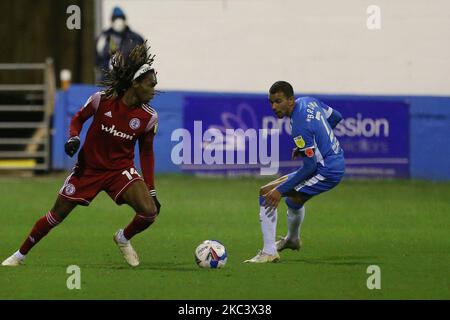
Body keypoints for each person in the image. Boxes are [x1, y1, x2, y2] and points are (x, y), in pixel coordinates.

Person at [2, 41, 160, 268]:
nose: (154, 89)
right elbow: (78, 119)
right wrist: (74, 137)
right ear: (135, 83)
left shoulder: (148, 117)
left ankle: (123, 238)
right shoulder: (101, 100)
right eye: (150, 84)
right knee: (56, 215)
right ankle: (19, 255)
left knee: (149, 213)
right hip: (89, 170)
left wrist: (151, 190)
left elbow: (146, 153)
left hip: (120, 171)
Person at [244, 81, 345, 263]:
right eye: (271, 102)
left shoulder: (299, 126)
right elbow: (336, 117)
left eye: (279, 101)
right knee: (294, 201)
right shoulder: (309, 101)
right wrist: (315, 145)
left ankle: (268, 252)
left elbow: (309, 167)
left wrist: (279, 191)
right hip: (332, 163)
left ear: (290, 100)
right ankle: (292, 239)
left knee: (267, 193)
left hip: (327, 171)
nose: (274, 107)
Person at [95, 6, 144, 83]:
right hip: (107, 80)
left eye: (121, 18)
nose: (119, 21)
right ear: (112, 20)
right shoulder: (104, 37)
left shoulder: (135, 38)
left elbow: (142, 59)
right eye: (116, 18)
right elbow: (97, 59)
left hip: (129, 80)